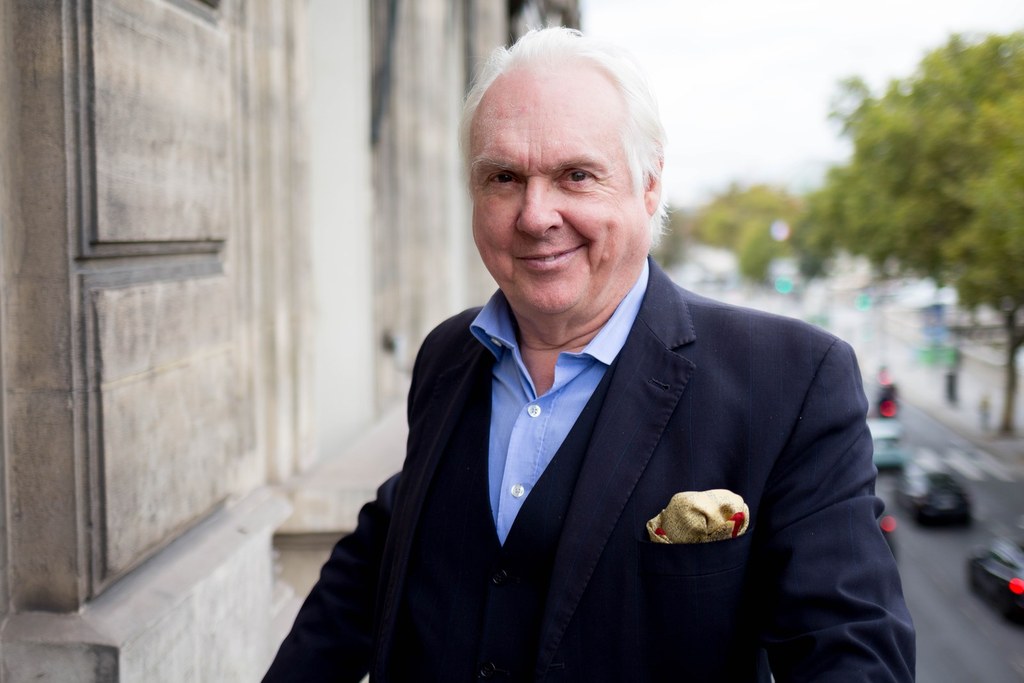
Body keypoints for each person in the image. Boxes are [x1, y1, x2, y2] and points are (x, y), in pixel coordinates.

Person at [264, 27, 915, 682]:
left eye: (575, 175)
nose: (535, 215)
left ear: (649, 184)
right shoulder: (446, 356)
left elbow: (852, 655)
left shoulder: (789, 381)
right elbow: (378, 562)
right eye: (503, 177)